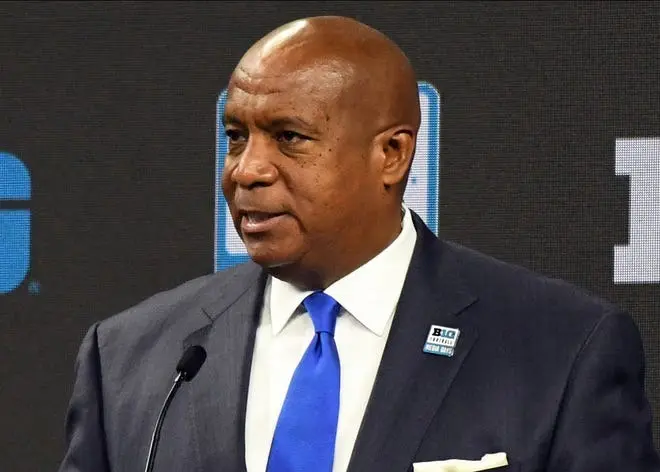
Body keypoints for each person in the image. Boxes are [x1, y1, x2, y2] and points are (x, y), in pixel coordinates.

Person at [59, 16, 660, 472]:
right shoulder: (130, 357)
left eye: (288, 137)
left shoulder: (561, 348)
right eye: (236, 136)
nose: (246, 169)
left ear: (391, 154)